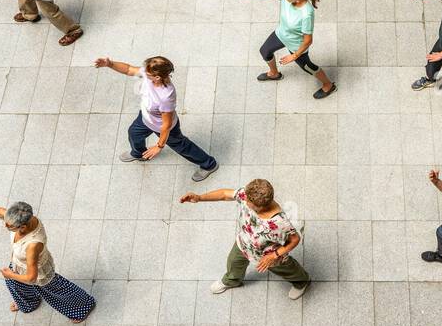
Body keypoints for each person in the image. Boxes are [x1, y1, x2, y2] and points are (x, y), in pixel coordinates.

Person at [0, 200, 97, 321]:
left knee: (55, 290)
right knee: (17, 285)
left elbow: (31, 277)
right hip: (19, 265)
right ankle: (28, 302)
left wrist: (10, 275)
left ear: (22, 227)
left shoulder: (32, 245)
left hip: (38, 272)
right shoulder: (21, 218)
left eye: (9, 226)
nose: (5, 226)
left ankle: (83, 307)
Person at [180, 179, 309, 299]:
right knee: (233, 262)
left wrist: (275, 255)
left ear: (262, 206)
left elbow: (295, 239)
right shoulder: (247, 195)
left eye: (249, 203)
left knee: (287, 269)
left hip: (268, 255)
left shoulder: (280, 223)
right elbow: (225, 194)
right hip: (244, 243)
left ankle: (301, 282)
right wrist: (200, 197)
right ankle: (232, 281)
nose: (245, 202)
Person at [95, 55, 219, 181]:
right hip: (146, 118)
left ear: (157, 77)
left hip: (163, 128)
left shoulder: (166, 96)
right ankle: (139, 153)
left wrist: (159, 146)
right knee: (134, 133)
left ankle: (209, 164)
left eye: (147, 73)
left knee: (182, 146)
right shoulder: (149, 72)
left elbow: (166, 124)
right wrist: (110, 64)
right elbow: (128, 69)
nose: (144, 73)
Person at [240, 0, 335, 98]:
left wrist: (294, 56)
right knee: (265, 51)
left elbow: (308, 40)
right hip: (281, 34)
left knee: (308, 67)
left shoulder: (306, 14)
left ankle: (328, 85)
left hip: (296, 45)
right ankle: (274, 74)